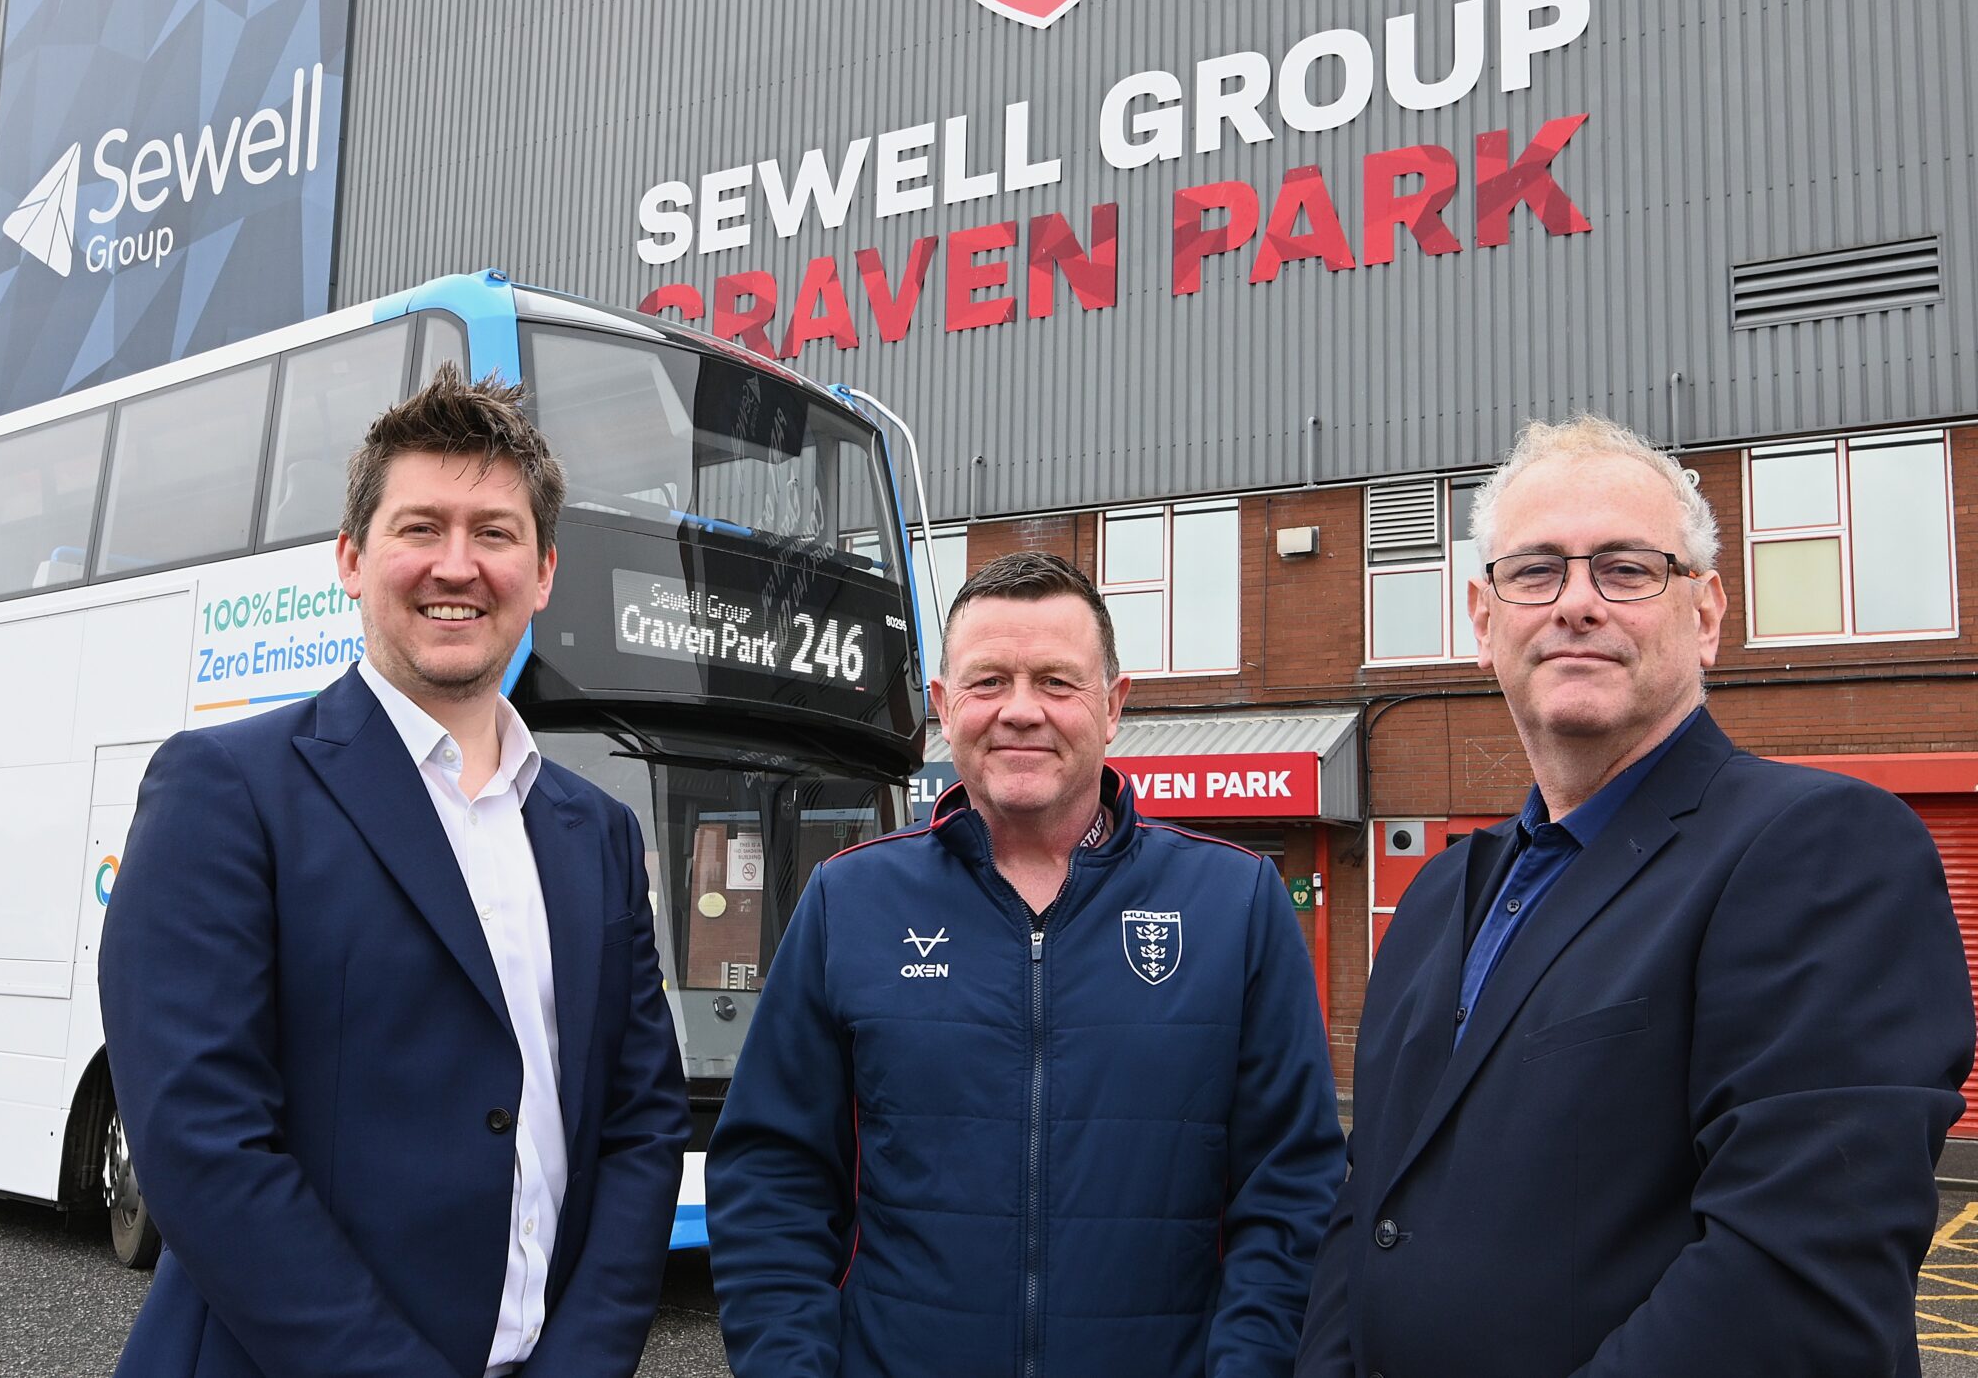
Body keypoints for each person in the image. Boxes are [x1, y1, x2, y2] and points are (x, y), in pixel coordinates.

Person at [1299, 415, 1975, 1378]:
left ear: (1704, 616)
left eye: (1625, 568)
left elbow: (1795, 1280)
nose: (1577, 603)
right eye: (1535, 570)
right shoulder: (1439, 892)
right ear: (1485, 622)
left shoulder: (1818, 850)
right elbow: (1370, 1204)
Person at [100, 365, 688, 1378]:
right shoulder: (224, 787)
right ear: (351, 558)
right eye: (420, 527)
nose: (456, 563)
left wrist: (584, 1361)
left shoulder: (597, 829)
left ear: (542, 572)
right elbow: (202, 1142)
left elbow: (640, 1124)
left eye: (494, 533)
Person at [708, 549, 1345, 1378]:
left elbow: (1292, 1185)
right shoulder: (847, 902)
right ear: (943, 706)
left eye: (1055, 681)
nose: (1020, 711)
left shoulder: (1237, 902)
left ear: (1112, 706)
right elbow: (772, 1175)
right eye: (987, 682)